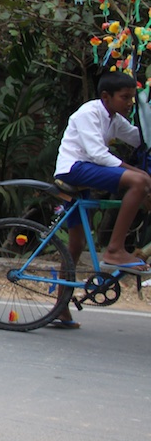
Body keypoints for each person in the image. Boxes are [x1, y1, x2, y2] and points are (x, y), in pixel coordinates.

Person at [53, 72, 151, 327]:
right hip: (74, 169)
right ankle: (115, 250)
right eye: (125, 97)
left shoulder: (114, 119)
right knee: (139, 182)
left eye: (132, 97)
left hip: (86, 171)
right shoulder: (89, 113)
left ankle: (59, 307)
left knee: (75, 245)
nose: (129, 102)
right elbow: (97, 154)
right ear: (106, 97)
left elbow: (140, 139)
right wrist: (136, 172)